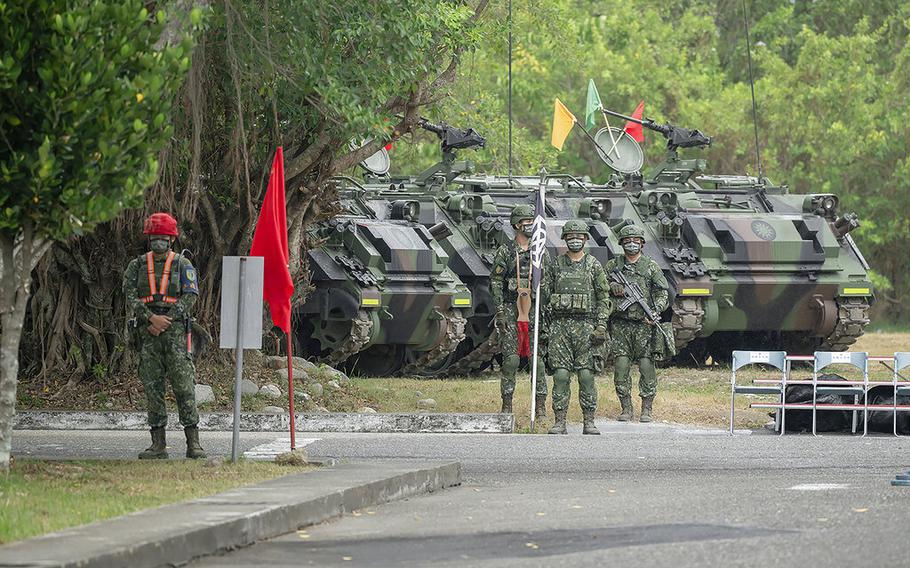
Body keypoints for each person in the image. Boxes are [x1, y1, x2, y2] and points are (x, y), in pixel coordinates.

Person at [123, 213, 206, 459]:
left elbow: (191, 295)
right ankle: (157, 444)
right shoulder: (136, 265)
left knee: (184, 386)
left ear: (172, 240)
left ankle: (194, 443)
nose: (159, 242)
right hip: (147, 333)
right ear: (149, 240)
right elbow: (129, 294)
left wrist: (166, 319)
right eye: (154, 238)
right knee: (153, 387)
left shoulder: (183, 265)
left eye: (163, 238)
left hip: (176, 332)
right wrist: (150, 318)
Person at [546, 220, 612, 435]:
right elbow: (545, 296)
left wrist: (601, 325)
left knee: (586, 376)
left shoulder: (594, 265)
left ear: (585, 239)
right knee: (561, 376)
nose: (575, 239)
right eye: (571, 236)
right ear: (565, 239)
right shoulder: (555, 265)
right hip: (560, 329)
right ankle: (559, 421)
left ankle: (589, 421)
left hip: (587, 329)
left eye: (579, 236)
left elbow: (603, 298)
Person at [490, 204, 552, 416]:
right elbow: (496, 280)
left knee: (538, 361)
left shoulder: (541, 251)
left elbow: (549, 280)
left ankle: (541, 407)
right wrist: (499, 311)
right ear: (517, 225)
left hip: (535, 308)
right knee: (511, 360)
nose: (531, 227)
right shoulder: (506, 251)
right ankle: (507, 405)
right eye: (527, 223)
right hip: (510, 308)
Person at [605, 224, 671, 423]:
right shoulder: (613, 266)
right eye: (627, 241)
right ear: (621, 244)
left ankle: (647, 409)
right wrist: (612, 286)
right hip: (620, 326)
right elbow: (599, 287)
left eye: (635, 241)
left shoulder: (650, 266)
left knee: (646, 367)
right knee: (621, 367)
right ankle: (626, 408)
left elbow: (662, 293)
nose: (631, 244)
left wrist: (656, 310)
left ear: (642, 243)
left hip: (644, 324)